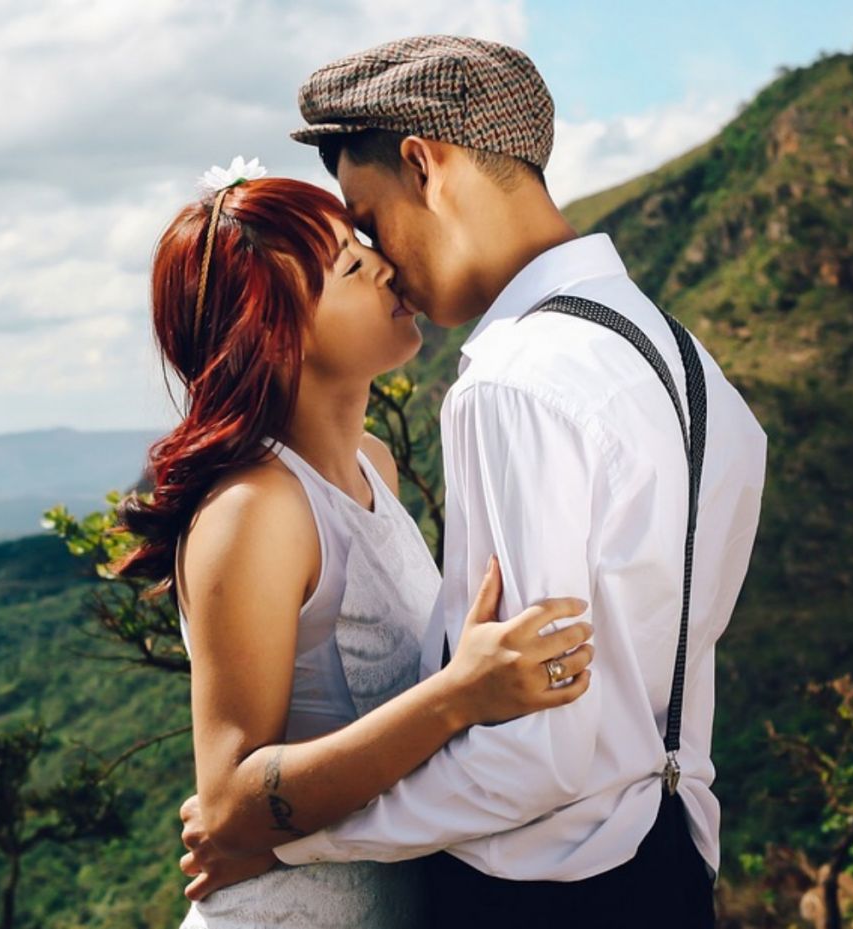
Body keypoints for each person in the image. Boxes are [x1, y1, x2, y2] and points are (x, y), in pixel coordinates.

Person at [181, 35, 768, 928]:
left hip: (541, 889)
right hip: (670, 853)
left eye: (368, 220)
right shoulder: (685, 363)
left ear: (425, 166)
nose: (382, 258)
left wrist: (290, 838)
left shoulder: (511, 383)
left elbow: (534, 754)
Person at [114, 165, 595, 929]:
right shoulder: (257, 508)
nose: (384, 266)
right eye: (348, 265)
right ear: (275, 332)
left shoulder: (376, 464)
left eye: (364, 245)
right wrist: (459, 695)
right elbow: (229, 802)